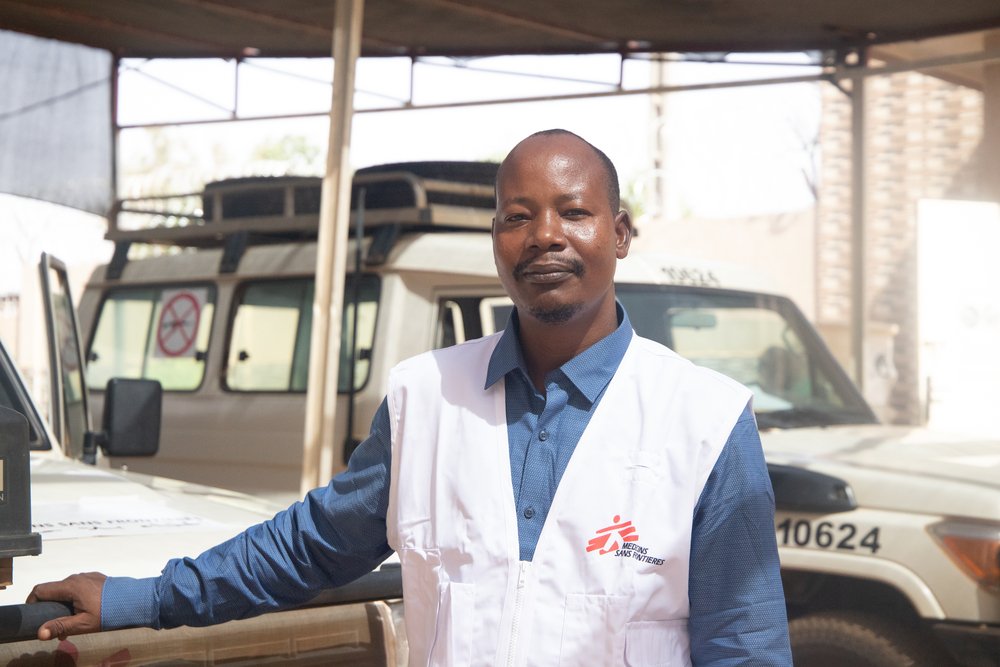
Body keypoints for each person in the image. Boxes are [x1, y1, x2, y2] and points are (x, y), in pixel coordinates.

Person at [30, 129, 792, 665]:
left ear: (620, 233)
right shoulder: (426, 397)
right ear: (494, 238)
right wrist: (143, 597)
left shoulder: (704, 422)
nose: (544, 235)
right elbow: (307, 547)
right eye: (518, 216)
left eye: (574, 211)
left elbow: (745, 645)